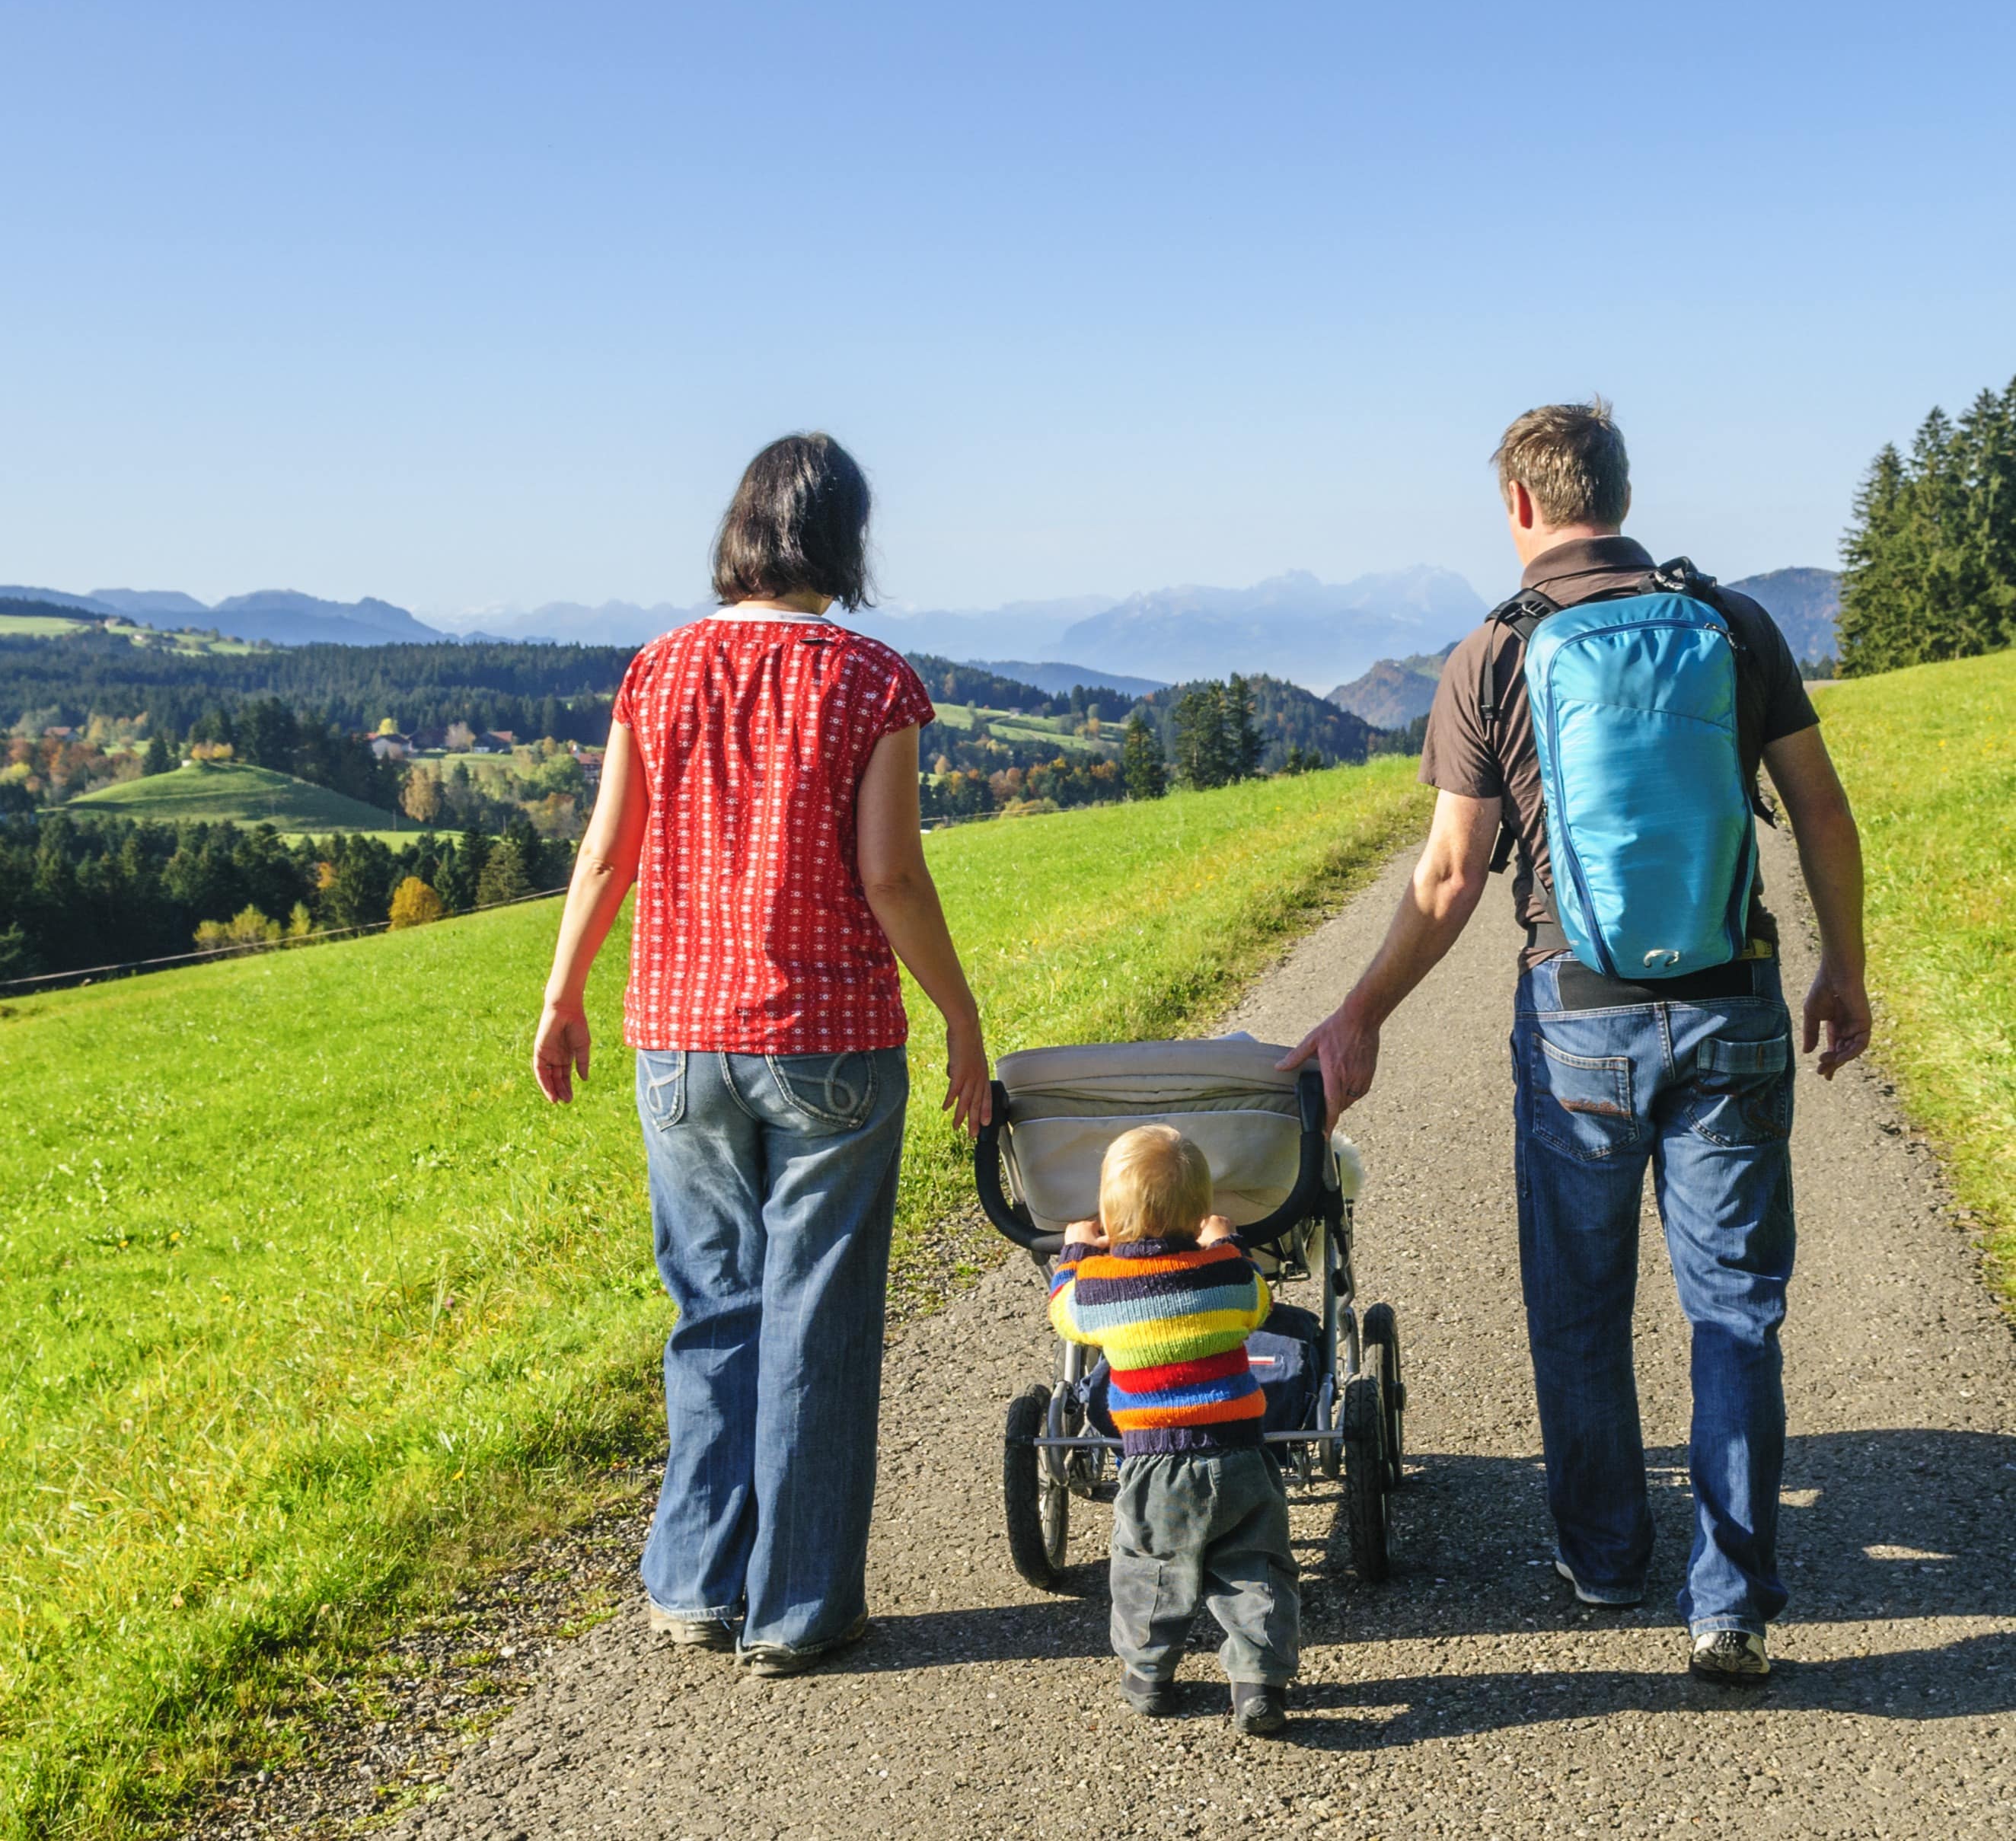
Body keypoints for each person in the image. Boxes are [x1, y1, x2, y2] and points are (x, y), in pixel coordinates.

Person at [1283, 400, 1871, 1688]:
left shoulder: (1492, 651)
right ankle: (1728, 1602)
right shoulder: (1726, 621)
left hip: (1575, 1018)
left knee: (1577, 1304)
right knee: (1733, 1313)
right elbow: (1817, 807)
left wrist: (1358, 1015)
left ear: (1518, 508)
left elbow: (1445, 877)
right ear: (1616, 488)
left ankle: (1605, 1556)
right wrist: (1843, 964)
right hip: (1732, 1003)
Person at [532, 432, 991, 1677]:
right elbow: (889, 875)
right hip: (829, 1039)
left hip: (675, 1039)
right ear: (842, 539)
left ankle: (690, 1582)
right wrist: (958, 1013)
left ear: (739, 527)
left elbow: (603, 855)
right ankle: (795, 1607)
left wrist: (563, 991)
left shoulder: (656, 669)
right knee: (817, 1321)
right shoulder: (871, 679)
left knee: (712, 1310)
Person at [1049, 1125, 1300, 1735]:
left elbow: (1064, 1315)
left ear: (1110, 1216)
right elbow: (1258, 1304)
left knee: (1149, 1568)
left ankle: (1148, 1675)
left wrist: (1075, 1254)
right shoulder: (1223, 1274)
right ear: (1200, 1212)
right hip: (1239, 1452)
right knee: (1254, 1567)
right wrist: (1228, 1244)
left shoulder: (1101, 1286)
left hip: (1154, 1461)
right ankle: (1258, 1682)